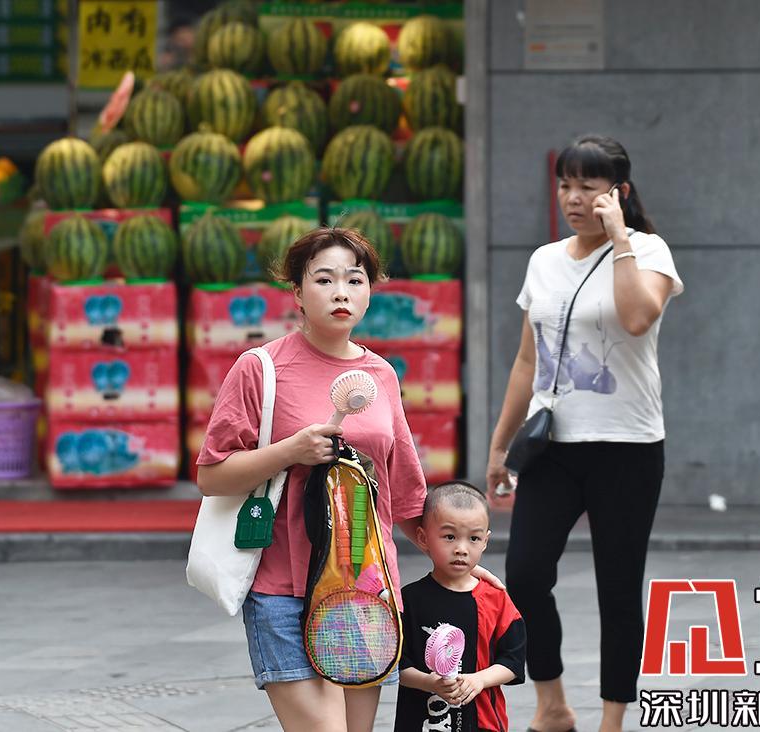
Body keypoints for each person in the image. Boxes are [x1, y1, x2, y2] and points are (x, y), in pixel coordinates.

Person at [196, 228, 499, 732]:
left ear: (369, 293)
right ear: (297, 292)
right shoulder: (261, 369)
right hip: (283, 591)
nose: (341, 292)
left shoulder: (381, 376)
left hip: (366, 590)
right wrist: (291, 451)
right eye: (324, 279)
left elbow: (406, 494)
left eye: (355, 280)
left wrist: (457, 557)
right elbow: (211, 475)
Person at [485, 134, 684, 732]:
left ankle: (612, 719)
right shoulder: (544, 260)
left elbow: (637, 317)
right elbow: (528, 360)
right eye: (565, 185)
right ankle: (552, 704)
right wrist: (500, 445)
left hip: (628, 448)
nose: (573, 198)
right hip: (552, 447)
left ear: (616, 193)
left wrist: (619, 238)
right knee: (524, 576)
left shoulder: (647, 251)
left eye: (587, 187)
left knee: (618, 588)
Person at [395, 481, 526, 732]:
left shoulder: (496, 599)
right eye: (449, 537)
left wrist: (479, 680)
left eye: (474, 538)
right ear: (422, 537)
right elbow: (396, 665)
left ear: (485, 541)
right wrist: (429, 683)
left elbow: (513, 660)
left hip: (483, 722)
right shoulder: (409, 600)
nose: (461, 549)